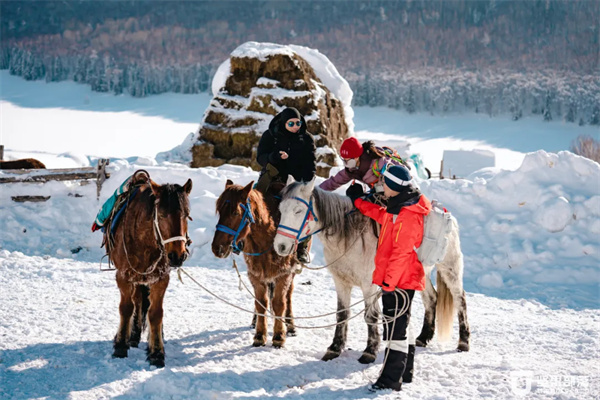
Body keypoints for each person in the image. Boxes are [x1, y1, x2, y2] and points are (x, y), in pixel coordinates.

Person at [346, 165, 431, 392]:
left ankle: (390, 379)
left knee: (395, 330)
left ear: (394, 186)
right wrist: (358, 201)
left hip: (401, 280)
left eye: (385, 184)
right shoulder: (399, 207)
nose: (382, 187)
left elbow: (402, 253)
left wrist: (389, 283)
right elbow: (381, 215)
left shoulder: (408, 214)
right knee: (400, 325)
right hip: (397, 279)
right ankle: (405, 371)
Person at [255, 107, 317, 263]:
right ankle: (245, 237)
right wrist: (274, 157)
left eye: (298, 123)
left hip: (297, 182)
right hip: (273, 177)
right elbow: (260, 158)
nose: (296, 126)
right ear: (283, 123)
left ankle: (302, 248)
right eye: (291, 123)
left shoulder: (306, 138)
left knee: (305, 208)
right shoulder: (271, 135)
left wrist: (306, 180)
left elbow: (311, 162)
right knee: (253, 200)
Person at [319, 138, 408, 202]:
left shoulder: (379, 163)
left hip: (394, 195)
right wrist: (317, 193)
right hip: (379, 193)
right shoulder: (352, 169)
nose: (345, 164)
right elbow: (334, 182)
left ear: (357, 157)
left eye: (347, 160)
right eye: (344, 160)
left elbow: (401, 175)